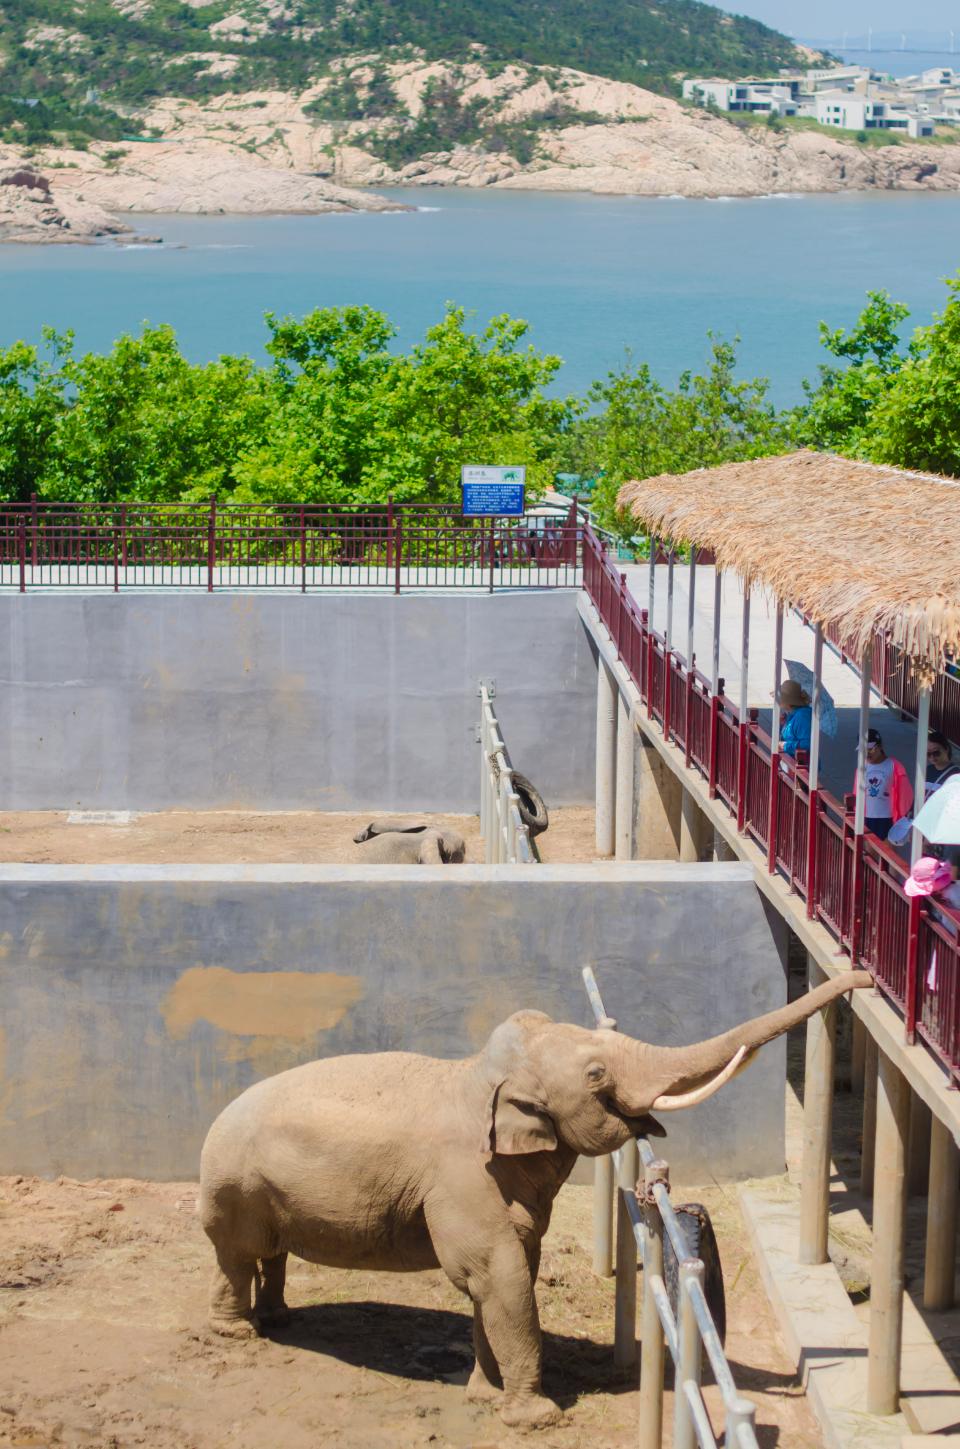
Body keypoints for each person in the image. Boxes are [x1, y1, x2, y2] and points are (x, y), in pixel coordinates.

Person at [855, 727, 912, 841]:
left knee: (888, 851)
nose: (867, 753)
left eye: (871, 749)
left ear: (880, 746)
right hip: (868, 817)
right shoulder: (862, 768)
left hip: (889, 818)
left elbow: (905, 795)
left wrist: (904, 816)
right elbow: (857, 793)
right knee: (870, 851)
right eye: (863, 750)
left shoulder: (895, 766)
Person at [777, 679, 812, 759]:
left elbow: (807, 744)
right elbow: (791, 735)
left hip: (800, 763)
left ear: (787, 702)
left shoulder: (801, 717)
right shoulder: (793, 714)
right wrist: (783, 725)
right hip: (792, 761)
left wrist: (786, 745)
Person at [926, 730, 960, 798]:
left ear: (946, 749)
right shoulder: (927, 770)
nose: (932, 757)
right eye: (928, 753)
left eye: (936, 752)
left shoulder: (956, 775)